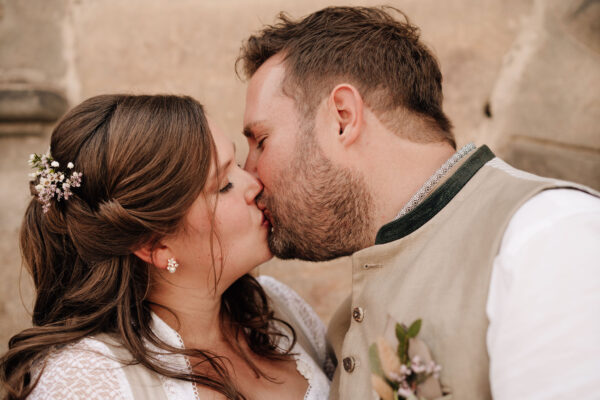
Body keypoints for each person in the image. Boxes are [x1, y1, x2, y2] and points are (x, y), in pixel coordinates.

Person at [236, 6, 600, 400]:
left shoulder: (548, 236)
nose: (249, 175)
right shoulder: (344, 324)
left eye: (261, 141)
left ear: (342, 117)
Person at [0, 95, 332, 400]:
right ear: (156, 245)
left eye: (238, 165)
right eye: (224, 185)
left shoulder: (277, 307)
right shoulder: (85, 381)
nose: (255, 184)